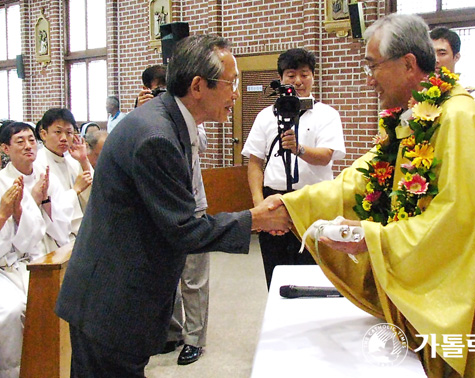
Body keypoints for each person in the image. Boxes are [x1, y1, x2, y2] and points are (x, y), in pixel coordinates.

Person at [275, 14, 475, 377]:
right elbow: (361, 180)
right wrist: (290, 205)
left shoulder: (459, 119)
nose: (368, 79)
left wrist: (373, 237)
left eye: (373, 66)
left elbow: (457, 223)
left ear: (408, 63)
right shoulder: (414, 117)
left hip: (465, 301)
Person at [55, 34, 291, 377]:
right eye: (231, 83)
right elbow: (182, 229)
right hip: (111, 301)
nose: (236, 94)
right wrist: (256, 218)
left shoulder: (166, 120)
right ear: (198, 86)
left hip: (118, 295)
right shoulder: (157, 137)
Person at [241, 48, 346, 287]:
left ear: (313, 77)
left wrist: (299, 149)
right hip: (275, 198)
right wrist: (259, 204)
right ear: (281, 79)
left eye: (304, 74)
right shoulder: (266, 116)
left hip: (314, 199)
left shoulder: (327, 115)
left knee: (314, 270)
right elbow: (255, 162)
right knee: (276, 268)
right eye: (291, 75)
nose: (298, 81)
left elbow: (327, 156)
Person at [133, 63, 211, 365]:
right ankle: (171, 332)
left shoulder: (192, 115)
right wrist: (142, 112)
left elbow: (200, 144)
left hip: (192, 203)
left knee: (193, 279)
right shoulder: (143, 118)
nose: (161, 93)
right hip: (156, 208)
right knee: (164, 274)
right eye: (156, 89)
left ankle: (195, 339)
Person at [0, 122, 71, 378]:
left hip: (47, 250)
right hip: (11, 261)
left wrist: (44, 201)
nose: (28, 146)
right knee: (14, 311)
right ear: (5, 148)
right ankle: (16, 371)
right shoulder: (2, 183)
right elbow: (16, 243)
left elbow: (61, 225)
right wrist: (14, 211)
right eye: (20, 141)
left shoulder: (44, 174)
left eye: (31, 140)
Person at [35, 108, 93, 238]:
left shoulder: (73, 161)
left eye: (69, 133)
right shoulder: (37, 165)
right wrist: (75, 190)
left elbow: (95, 196)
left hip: (80, 233)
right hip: (54, 237)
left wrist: (84, 161)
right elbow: (49, 209)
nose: (64, 138)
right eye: (58, 132)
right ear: (44, 134)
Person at [430, 27, 475, 116]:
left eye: (442, 54)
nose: (436, 60)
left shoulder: (473, 97)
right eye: (431, 53)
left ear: (456, 57)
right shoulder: (423, 96)